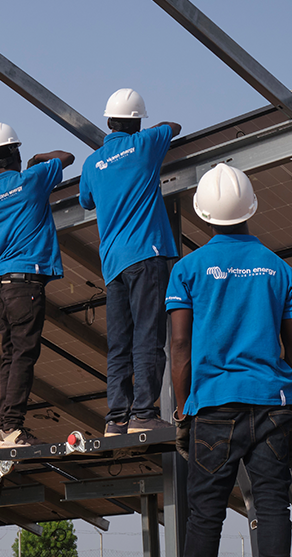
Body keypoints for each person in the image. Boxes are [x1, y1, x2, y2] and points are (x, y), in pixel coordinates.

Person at [167, 164, 292, 557]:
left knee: (205, 515)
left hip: (212, 407)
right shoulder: (283, 271)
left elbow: (180, 347)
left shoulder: (187, 270)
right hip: (271, 405)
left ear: (202, 212)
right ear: (251, 208)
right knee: (273, 508)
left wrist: (182, 413)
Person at [0, 123, 74, 449]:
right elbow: (67, 157)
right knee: (23, 355)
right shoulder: (33, 179)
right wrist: (39, 157)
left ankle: (5, 429)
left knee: (10, 355)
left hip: (1, 286)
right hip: (27, 282)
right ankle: (11, 428)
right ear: (16, 152)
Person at [79, 88, 182, 436]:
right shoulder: (145, 144)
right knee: (148, 336)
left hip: (113, 264)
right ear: (137, 123)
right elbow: (173, 126)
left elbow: (87, 201)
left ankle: (116, 418)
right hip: (145, 253)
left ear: (108, 121)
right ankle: (143, 413)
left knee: (119, 342)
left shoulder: (92, 163)